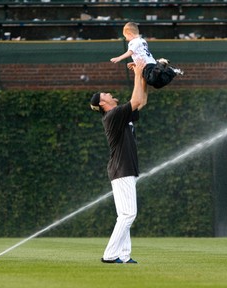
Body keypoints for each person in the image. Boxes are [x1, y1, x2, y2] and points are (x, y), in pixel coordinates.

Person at [89, 58, 148, 264]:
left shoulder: (119, 115)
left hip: (124, 169)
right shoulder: (113, 115)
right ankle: (110, 255)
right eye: (106, 94)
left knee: (124, 214)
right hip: (121, 169)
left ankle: (123, 255)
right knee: (128, 214)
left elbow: (141, 101)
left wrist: (142, 77)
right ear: (102, 103)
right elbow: (134, 101)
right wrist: (138, 74)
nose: (110, 94)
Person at [110, 22, 184, 89]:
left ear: (130, 34)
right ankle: (171, 71)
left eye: (126, 37)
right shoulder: (142, 40)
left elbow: (130, 52)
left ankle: (161, 64)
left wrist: (119, 58)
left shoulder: (133, 41)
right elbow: (142, 54)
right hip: (152, 63)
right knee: (157, 84)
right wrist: (135, 63)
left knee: (150, 80)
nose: (126, 39)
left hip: (147, 66)